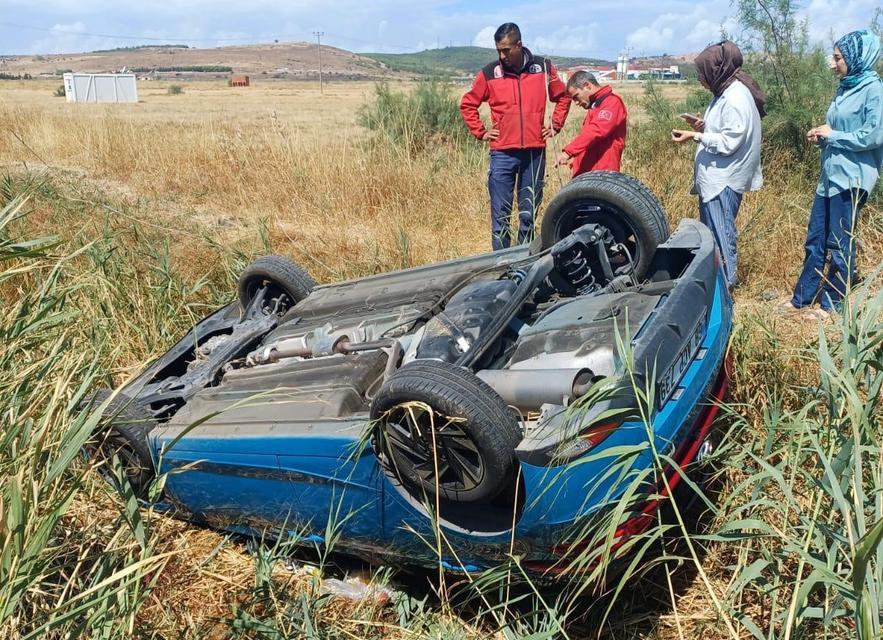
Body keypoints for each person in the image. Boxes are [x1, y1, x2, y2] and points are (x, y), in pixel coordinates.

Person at [780, 29, 882, 319]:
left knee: (839, 242)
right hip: (829, 177)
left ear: (856, 57)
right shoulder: (846, 86)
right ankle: (802, 297)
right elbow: (839, 131)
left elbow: (873, 136)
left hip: (851, 179)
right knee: (815, 239)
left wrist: (833, 135)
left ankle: (832, 304)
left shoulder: (874, 90)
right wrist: (823, 136)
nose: (833, 64)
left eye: (838, 58)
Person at [460, 22, 571, 250]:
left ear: (519, 45)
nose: (502, 55)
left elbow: (563, 97)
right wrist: (481, 132)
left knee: (528, 214)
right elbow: (467, 104)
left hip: (534, 153)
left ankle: (524, 263)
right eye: (498, 50)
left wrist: (555, 125)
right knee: (500, 217)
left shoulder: (542, 68)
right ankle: (502, 264)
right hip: (502, 153)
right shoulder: (490, 72)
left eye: (506, 50)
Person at [671, 41, 765, 291]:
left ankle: (726, 289)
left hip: (723, 180)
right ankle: (719, 287)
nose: (701, 78)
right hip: (717, 178)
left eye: (703, 73)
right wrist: (704, 126)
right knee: (715, 235)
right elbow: (728, 131)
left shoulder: (734, 97)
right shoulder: (726, 91)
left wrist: (696, 136)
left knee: (722, 237)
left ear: (717, 69)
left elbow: (730, 142)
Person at [555, 71, 627, 176]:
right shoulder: (596, 105)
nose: (576, 103)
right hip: (590, 173)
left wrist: (569, 152)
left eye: (576, 96)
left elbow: (597, 131)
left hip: (601, 174)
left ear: (587, 85)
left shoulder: (611, 103)